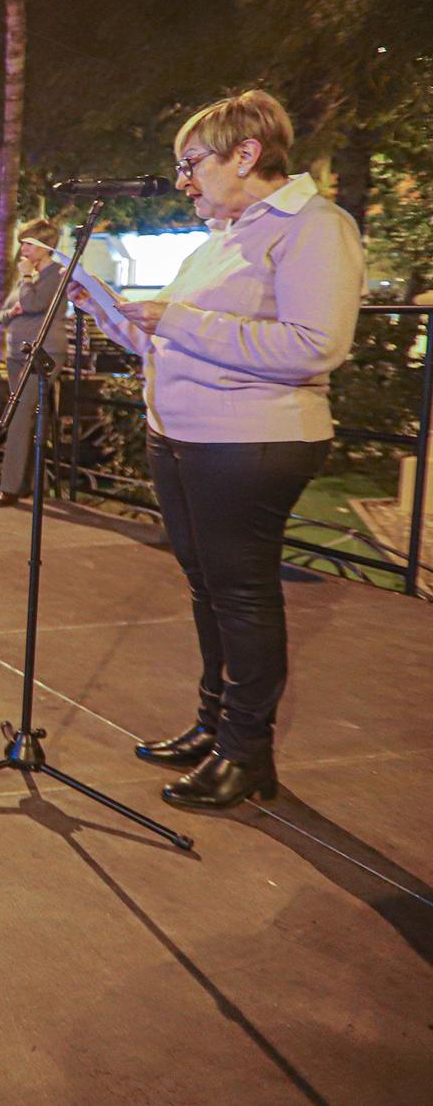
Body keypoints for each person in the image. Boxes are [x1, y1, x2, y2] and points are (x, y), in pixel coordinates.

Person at [87, 90, 363, 811]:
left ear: (246, 153)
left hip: (252, 440)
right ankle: (214, 723)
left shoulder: (315, 228)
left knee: (242, 595)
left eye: (192, 163)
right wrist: (114, 316)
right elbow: (175, 339)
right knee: (207, 588)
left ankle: (247, 754)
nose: (184, 181)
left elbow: (316, 344)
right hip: (184, 437)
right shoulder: (226, 238)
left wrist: (180, 317)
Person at [0, 217, 70, 505]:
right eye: (21, 243)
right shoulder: (26, 276)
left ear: (44, 246)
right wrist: (11, 313)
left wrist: (26, 281)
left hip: (44, 352)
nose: (22, 249)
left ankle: (10, 486)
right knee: (29, 415)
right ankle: (29, 481)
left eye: (27, 243)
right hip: (16, 352)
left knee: (19, 413)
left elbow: (36, 304)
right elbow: (4, 313)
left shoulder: (57, 275)